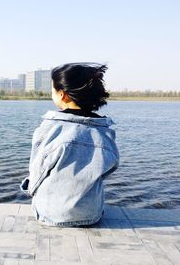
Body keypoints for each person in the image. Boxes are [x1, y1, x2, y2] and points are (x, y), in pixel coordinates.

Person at [20, 62, 119, 227]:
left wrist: (30, 190)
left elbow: (38, 170)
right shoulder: (104, 132)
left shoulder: (49, 128)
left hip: (51, 214)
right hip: (91, 214)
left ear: (62, 95)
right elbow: (110, 166)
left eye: (52, 90)